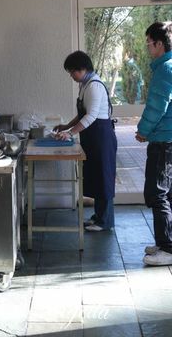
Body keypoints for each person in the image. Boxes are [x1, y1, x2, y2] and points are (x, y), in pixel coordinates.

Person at [54, 50, 117, 231]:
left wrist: (71, 133)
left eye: (72, 71)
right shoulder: (85, 85)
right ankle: (98, 217)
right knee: (97, 177)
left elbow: (91, 117)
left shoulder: (94, 86)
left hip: (102, 137)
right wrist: (66, 126)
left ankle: (104, 222)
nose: (71, 75)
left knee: (104, 178)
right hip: (92, 138)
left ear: (82, 68)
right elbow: (81, 114)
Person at [136, 21, 172, 266]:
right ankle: (164, 243)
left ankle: (167, 249)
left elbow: (158, 106)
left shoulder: (165, 70)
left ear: (159, 44)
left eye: (149, 43)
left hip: (163, 141)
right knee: (167, 193)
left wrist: (142, 130)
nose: (148, 48)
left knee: (157, 193)